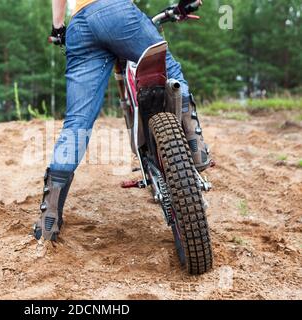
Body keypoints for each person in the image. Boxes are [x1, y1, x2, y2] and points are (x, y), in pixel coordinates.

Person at [33, 0, 211, 241]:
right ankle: (195, 146)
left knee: (76, 122)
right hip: (115, 12)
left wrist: (57, 28)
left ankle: (48, 220)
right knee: (170, 69)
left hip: (81, 25)